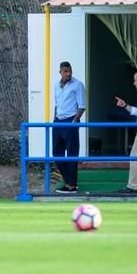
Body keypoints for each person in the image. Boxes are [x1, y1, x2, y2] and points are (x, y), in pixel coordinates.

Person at [53, 61, 86, 194]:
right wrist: (54, 118)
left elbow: (82, 105)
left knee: (72, 153)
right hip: (58, 121)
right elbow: (57, 104)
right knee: (56, 154)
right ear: (60, 72)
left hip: (70, 120)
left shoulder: (78, 85)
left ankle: (71, 186)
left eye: (70, 71)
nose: (68, 74)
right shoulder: (56, 85)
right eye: (65, 71)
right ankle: (68, 181)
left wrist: (74, 121)